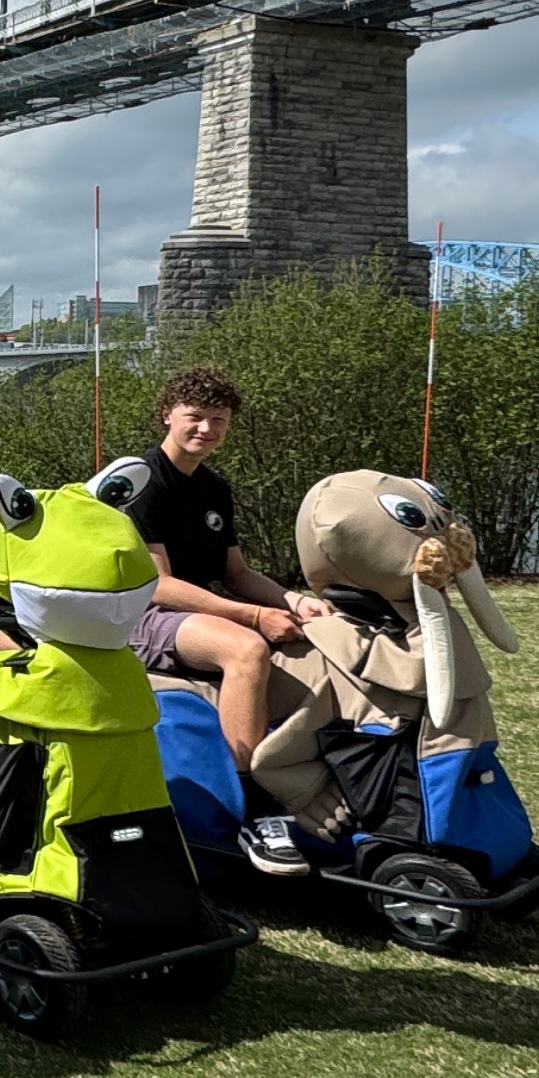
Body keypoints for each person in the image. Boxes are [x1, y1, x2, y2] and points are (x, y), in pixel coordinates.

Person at [123, 364, 334, 876]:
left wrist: (293, 601)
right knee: (245, 649)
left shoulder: (215, 488)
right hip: (142, 616)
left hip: (195, 612)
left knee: (326, 641)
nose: (206, 429)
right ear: (166, 417)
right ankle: (254, 807)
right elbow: (159, 585)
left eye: (218, 419)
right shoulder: (142, 483)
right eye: (194, 417)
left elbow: (235, 573)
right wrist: (256, 618)